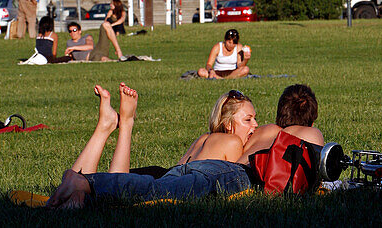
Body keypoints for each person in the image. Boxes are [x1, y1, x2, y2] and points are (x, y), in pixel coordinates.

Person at [47, 85, 256, 208]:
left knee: (98, 183)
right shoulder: (233, 142)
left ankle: (106, 126)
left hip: (162, 173)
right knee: (111, 190)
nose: (254, 125)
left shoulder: (203, 138)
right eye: (248, 120)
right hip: (170, 183)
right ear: (228, 124)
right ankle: (124, 123)